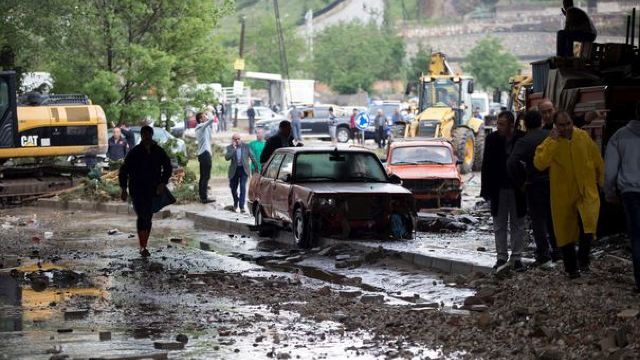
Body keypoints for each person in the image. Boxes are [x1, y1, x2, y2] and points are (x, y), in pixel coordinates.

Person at [534, 111, 604, 279]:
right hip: (563, 192)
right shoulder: (551, 141)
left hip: (585, 190)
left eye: (568, 124)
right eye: (561, 125)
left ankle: (583, 259)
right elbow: (540, 163)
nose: (565, 128)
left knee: (589, 223)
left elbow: (596, 159)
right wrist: (552, 142)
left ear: (572, 122)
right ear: (555, 126)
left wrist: (601, 182)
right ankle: (572, 268)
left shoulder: (582, 137)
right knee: (565, 230)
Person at [507, 110, 559, 268]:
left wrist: (520, 181)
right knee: (554, 218)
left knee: (538, 221)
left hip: (534, 184)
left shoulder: (524, 141)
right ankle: (559, 252)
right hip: (556, 183)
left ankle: (544, 256)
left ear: (526, 125)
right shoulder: (551, 136)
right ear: (541, 121)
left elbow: (511, 163)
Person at [481, 111, 527, 273]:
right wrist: (485, 190)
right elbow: (486, 166)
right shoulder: (492, 139)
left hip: (517, 188)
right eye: (498, 123)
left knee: (518, 223)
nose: (498, 127)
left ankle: (516, 258)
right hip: (498, 188)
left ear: (511, 126)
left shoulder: (522, 138)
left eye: (502, 124)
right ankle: (501, 257)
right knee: (499, 225)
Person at [119, 126, 172, 257]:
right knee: (142, 216)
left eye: (149, 135)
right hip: (136, 189)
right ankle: (143, 246)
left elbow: (168, 167)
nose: (147, 137)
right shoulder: (134, 152)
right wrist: (123, 189)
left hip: (152, 189)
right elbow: (123, 171)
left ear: (151, 135)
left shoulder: (158, 151)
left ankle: (144, 244)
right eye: (144, 135)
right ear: (142, 136)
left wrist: (162, 183)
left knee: (148, 216)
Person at [604, 103, 640, 291]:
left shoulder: (619, 136)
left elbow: (610, 170)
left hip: (631, 193)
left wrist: (609, 192)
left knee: (637, 237)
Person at [225, 133, 258, 213]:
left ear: (240, 139)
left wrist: (256, 167)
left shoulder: (246, 146)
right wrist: (234, 149)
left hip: (244, 169)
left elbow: (252, 156)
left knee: (242, 187)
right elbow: (227, 158)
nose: (237, 140)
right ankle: (236, 201)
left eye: (238, 139)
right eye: (235, 139)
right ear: (233, 140)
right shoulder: (230, 147)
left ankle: (241, 206)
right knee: (233, 188)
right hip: (234, 170)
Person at [195, 112, 215, 204]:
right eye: (204, 116)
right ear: (200, 119)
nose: (206, 117)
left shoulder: (203, 128)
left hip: (204, 154)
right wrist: (210, 111)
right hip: (204, 154)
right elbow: (211, 120)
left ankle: (202, 196)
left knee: (203, 176)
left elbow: (210, 135)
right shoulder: (201, 127)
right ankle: (204, 198)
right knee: (206, 176)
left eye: (206, 115)